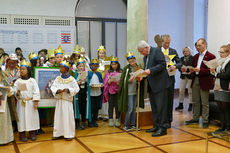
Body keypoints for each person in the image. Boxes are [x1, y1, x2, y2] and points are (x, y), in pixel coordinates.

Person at [138, 40, 170, 137]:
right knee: (155, 107)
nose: (141, 53)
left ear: (146, 48)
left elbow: (162, 65)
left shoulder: (156, 51)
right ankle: (156, 125)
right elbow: (147, 70)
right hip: (152, 85)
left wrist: (150, 71)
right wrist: (142, 75)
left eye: (141, 51)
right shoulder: (145, 56)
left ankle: (163, 128)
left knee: (161, 107)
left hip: (161, 84)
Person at [185, 38, 216, 128]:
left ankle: (205, 120)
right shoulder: (195, 56)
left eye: (199, 45)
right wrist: (191, 70)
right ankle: (195, 118)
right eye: (197, 46)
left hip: (205, 81)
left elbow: (212, 71)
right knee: (195, 101)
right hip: (196, 79)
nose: (197, 47)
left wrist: (201, 70)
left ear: (204, 44)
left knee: (204, 102)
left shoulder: (211, 56)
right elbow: (194, 68)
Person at [51, 61, 79, 140]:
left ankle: (68, 134)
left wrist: (69, 90)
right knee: (58, 117)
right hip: (59, 101)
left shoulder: (71, 79)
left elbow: (76, 88)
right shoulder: (58, 78)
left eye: (61, 67)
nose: (60, 68)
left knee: (67, 118)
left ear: (66, 69)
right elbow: (53, 87)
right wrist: (57, 90)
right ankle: (58, 133)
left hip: (67, 102)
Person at [14, 60, 40, 142]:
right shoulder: (18, 81)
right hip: (21, 103)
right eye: (20, 69)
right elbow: (15, 91)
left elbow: (36, 91)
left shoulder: (32, 80)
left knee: (31, 117)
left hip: (30, 103)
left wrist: (36, 102)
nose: (21, 71)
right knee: (21, 118)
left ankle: (32, 132)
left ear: (28, 70)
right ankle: (22, 133)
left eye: (23, 69)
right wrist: (17, 93)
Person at [118, 52, 144, 132]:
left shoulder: (138, 67)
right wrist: (130, 79)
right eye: (130, 61)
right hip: (129, 92)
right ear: (128, 62)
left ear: (135, 60)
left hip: (136, 91)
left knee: (134, 109)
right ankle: (126, 125)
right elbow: (124, 80)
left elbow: (142, 76)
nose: (132, 63)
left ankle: (133, 124)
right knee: (130, 108)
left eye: (133, 61)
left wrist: (141, 78)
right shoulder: (127, 68)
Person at [161, 34, 182, 128]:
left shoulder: (173, 51)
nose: (167, 44)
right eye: (166, 43)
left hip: (170, 78)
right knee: (161, 100)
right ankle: (161, 120)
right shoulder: (157, 51)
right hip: (160, 79)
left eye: (169, 42)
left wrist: (175, 66)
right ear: (162, 42)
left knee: (169, 100)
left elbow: (180, 62)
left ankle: (169, 121)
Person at [210, 44, 230, 133]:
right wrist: (212, 71)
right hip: (217, 86)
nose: (220, 54)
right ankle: (222, 127)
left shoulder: (229, 61)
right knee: (220, 108)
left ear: (228, 53)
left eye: (222, 52)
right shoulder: (219, 61)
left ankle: (227, 127)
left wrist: (216, 74)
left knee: (226, 108)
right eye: (220, 52)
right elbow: (216, 73)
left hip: (224, 87)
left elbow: (227, 75)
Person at [103, 57, 122, 127]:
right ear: (111, 65)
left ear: (118, 64)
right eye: (113, 64)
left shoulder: (121, 71)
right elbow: (105, 81)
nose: (114, 66)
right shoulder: (108, 71)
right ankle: (110, 119)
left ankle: (117, 119)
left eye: (115, 64)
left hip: (118, 91)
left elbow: (123, 81)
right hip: (110, 91)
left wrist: (119, 83)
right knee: (111, 105)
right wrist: (109, 81)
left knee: (117, 106)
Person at [74, 58, 91, 130]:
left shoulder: (86, 73)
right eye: (80, 66)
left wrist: (87, 81)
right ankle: (77, 122)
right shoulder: (74, 73)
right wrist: (77, 83)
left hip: (84, 92)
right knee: (77, 107)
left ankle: (83, 121)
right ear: (77, 66)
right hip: (77, 93)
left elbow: (88, 83)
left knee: (84, 107)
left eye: (82, 66)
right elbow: (72, 83)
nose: (81, 67)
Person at [175, 47, 193, 111]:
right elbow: (179, 66)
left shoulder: (193, 58)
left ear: (190, 52)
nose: (186, 52)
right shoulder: (181, 58)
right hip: (183, 76)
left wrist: (188, 70)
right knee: (181, 90)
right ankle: (180, 104)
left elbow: (193, 67)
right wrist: (180, 69)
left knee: (190, 91)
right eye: (184, 51)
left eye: (187, 51)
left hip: (190, 76)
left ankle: (191, 105)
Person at [0, 68, 14, 145]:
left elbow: (11, 92)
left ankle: (3, 139)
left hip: (2, 104)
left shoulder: (3, 79)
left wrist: (9, 89)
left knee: (3, 121)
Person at [88, 59, 103, 127]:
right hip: (91, 94)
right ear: (91, 66)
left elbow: (101, 82)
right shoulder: (88, 73)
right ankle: (90, 121)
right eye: (94, 66)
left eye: (96, 66)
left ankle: (95, 120)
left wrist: (101, 84)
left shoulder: (99, 74)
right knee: (91, 108)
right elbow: (87, 82)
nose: (95, 67)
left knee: (96, 108)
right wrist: (90, 85)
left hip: (98, 93)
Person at [97, 45, 111, 120]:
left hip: (105, 83)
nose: (101, 54)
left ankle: (105, 114)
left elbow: (109, 72)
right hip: (98, 82)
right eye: (100, 53)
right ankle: (99, 114)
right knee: (99, 97)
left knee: (105, 97)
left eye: (103, 53)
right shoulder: (95, 62)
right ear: (98, 54)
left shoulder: (107, 63)